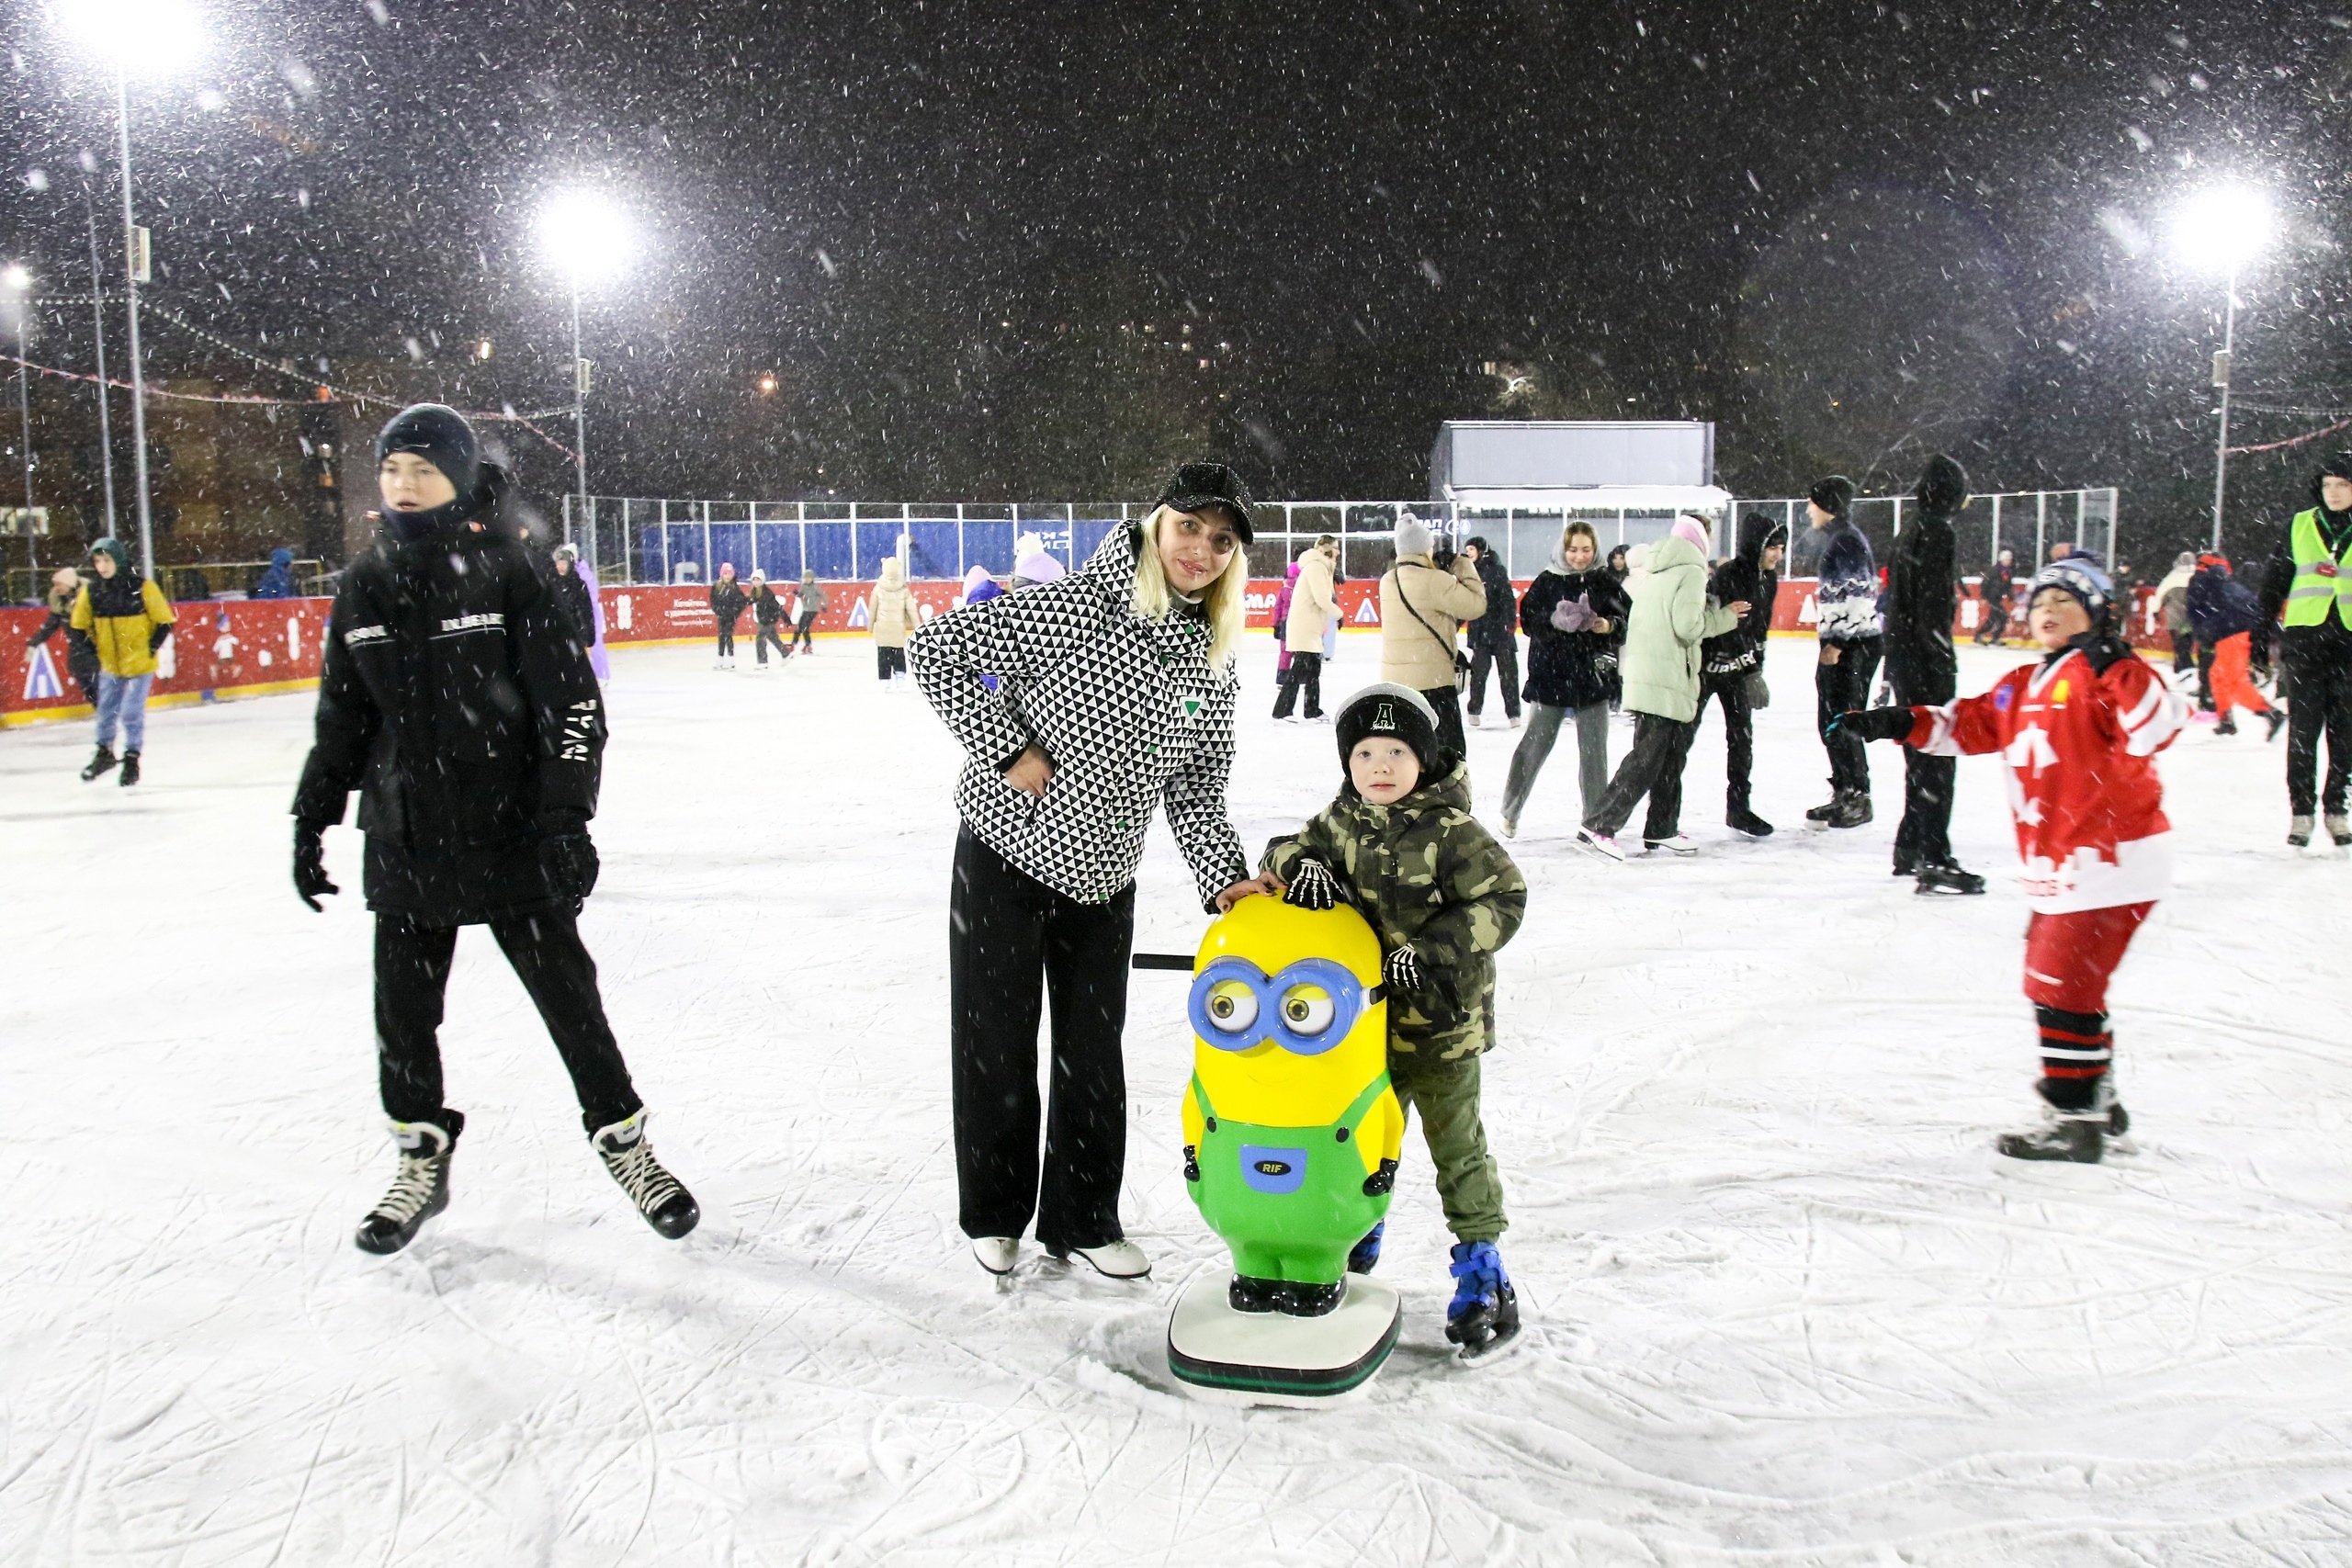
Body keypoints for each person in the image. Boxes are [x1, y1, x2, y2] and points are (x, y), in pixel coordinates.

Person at [289, 403, 698, 1253]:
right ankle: (419, 1156)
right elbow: (343, 716)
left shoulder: (509, 571)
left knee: (571, 1002)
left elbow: (571, 704)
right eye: (392, 469)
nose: (404, 485)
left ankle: (626, 1143)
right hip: (404, 835)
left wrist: (566, 819)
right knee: (403, 1015)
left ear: (458, 477)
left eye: (423, 469)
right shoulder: (364, 583)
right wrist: (313, 815)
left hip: (509, 830)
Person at [908, 462, 1263, 1281]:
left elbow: (1196, 787)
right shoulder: (1074, 605)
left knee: (1093, 1053)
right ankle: (995, 1213)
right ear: (1157, 521)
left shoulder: (1211, 658)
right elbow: (936, 650)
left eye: (1221, 540)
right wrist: (1007, 749)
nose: (1201, 549)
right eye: (1189, 527)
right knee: (996, 1039)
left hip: (1104, 876)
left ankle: (1083, 1220)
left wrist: (1224, 877)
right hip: (1005, 852)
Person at [1831, 555, 2187, 1162]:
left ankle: (2074, 1119)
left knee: (2059, 982)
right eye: (2040, 601)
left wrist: (2118, 666)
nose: (2048, 610)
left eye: (2065, 601)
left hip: (2111, 858)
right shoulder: (2024, 683)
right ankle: (2095, 1096)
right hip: (2065, 863)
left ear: (2097, 613)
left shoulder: (2107, 673)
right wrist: (1899, 722)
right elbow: (1968, 724)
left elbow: (2159, 725)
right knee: (2065, 982)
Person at [1261, 682, 1528, 1358]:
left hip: (1442, 1031)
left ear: (1424, 758)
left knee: (1457, 1150)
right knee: (1360, 1143)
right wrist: (1303, 865)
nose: (1379, 766)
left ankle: (1482, 1267)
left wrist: (1434, 950)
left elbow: (1504, 898)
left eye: (1397, 752)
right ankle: (1353, 1234)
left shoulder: (1451, 831)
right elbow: (1279, 849)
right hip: (1361, 1034)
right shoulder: (1341, 821)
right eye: (1365, 754)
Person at [1577, 516, 1744, 858]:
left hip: (1649, 671)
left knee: (1669, 757)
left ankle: (1662, 827)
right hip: (1665, 676)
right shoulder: (1691, 572)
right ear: (1702, 539)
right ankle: (1599, 824)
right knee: (1647, 759)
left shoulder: (1657, 569)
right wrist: (1725, 617)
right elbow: (1687, 626)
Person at [1883, 456, 1986, 894]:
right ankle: (1934, 856)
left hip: (1905, 660)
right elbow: (1931, 608)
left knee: (1920, 754)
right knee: (1938, 757)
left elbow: (1897, 604)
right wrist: (1942, 661)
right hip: (1925, 662)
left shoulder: (1909, 528)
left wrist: (1894, 665)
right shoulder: (1937, 531)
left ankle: (1910, 847)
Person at [1501, 520, 1626, 837]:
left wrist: (1608, 625)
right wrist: (1554, 621)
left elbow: (1627, 619)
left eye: (1586, 549)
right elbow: (1529, 621)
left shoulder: (1605, 581)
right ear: (1563, 549)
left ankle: (1594, 822)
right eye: (1573, 549)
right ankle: (1510, 811)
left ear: (1595, 549)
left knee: (1595, 754)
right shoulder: (1547, 581)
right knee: (1534, 746)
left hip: (1592, 679)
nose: (1579, 556)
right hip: (1551, 677)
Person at [2258, 450, 2352, 848]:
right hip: (2305, 645)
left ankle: (2336, 810)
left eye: (2343, 484)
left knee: (2345, 737)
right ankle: (2302, 813)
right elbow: (2274, 583)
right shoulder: (2300, 525)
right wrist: (2259, 636)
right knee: (2303, 734)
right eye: (2328, 485)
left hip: (2349, 647)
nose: (2334, 492)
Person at [1698, 513, 1785, 838]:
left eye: (1781, 548)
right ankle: (1662, 812)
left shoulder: (1769, 579)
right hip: (1708, 667)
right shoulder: (1730, 575)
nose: (1777, 555)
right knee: (1680, 740)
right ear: (1755, 545)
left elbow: (1759, 630)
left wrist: (1756, 668)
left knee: (1741, 739)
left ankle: (1738, 809)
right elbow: (1728, 628)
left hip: (1737, 670)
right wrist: (1750, 671)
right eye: (1772, 547)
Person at [1804, 475, 1881, 829]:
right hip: (1847, 643)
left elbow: (1860, 597)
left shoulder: (1847, 541)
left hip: (1854, 645)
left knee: (1842, 719)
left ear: (1827, 505)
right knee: (1831, 720)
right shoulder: (1840, 538)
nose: (1809, 510)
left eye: (1813, 503)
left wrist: (1839, 643)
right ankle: (1845, 790)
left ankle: (1857, 796)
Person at [70, 536, 175, 787]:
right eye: (98, 561)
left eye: (107, 560)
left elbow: (165, 620)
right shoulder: (92, 591)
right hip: (111, 665)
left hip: (140, 664)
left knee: (130, 712)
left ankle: (131, 758)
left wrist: (149, 648)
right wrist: (94, 650)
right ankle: (104, 752)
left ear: (118, 560)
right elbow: (78, 625)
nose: (102, 566)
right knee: (106, 710)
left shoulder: (142, 587)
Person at [1379, 513, 1484, 761]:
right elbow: (1476, 606)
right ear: (1426, 548)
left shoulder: (1388, 580)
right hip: (1433, 684)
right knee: (1449, 754)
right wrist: (1463, 566)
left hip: (1396, 686)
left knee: (1408, 755)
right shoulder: (1436, 580)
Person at [2188, 552, 2287, 742]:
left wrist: (2203, 634)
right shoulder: (2225, 583)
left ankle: (2271, 713)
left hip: (2230, 633)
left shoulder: (2201, 581)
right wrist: (2272, 628)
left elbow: (2196, 612)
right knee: (2218, 675)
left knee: (2234, 681)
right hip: (2237, 632)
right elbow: (2253, 605)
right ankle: (2226, 719)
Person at [1273, 535, 1339, 722]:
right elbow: (1321, 598)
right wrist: (1339, 613)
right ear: (1327, 548)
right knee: (1301, 669)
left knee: (1312, 669)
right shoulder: (1316, 566)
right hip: (1304, 626)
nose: (1338, 551)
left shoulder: (1321, 566)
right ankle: (1284, 711)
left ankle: (1310, 710)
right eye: (1335, 547)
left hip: (1309, 625)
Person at [1461, 536, 1521, 729]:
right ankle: (1474, 710)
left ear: (1482, 551)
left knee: (1508, 675)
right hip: (1480, 631)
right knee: (1478, 674)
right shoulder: (1468, 572)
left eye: (1472, 549)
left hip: (1500, 631)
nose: (1469, 553)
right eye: (1467, 550)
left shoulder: (1496, 570)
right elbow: (1464, 601)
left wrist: (1509, 623)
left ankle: (1514, 713)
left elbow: (1507, 598)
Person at [24, 565, 99, 705]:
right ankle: (104, 710)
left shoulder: (90, 597)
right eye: (55, 585)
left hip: (96, 649)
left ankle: (110, 711)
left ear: (69, 584)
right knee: (87, 686)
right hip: (77, 651)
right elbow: (49, 627)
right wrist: (33, 644)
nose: (56, 588)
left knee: (98, 685)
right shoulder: (60, 604)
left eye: (60, 584)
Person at [869, 556, 921, 681]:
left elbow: (872, 609)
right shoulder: (903, 589)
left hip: (882, 627)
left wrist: (870, 625)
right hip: (898, 627)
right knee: (898, 651)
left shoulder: (878, 589)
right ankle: (900, 673)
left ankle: (884, 678)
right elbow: (912, 609)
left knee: (883, 653)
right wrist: (917, 626)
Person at [548, 544, 597, 652]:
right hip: (555, 636)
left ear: (570, 564)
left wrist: (589, 634)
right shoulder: (551, 583)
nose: (561, 567)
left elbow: (586, 610)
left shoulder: (578, 584)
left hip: (574, 635)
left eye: (564, 563)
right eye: (558, 563)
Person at [2155, 551, 2197, 679]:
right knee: (2187, 644)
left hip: (2174, 618)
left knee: (2179, 645)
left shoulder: (2171, 578)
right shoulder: (2196, 577)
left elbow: (2160, 596)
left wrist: (2155, 611)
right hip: (2190, 618)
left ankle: (2181, 667)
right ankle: (2185, 667)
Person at [1973, 547, 2018, 646]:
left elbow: (2008, 585)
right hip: (1992, 597)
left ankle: (1988, 636)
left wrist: (2011, 597)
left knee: (1995, 618)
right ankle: (1987, 636)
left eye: (2010, 559)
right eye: (2007, 559)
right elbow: (1985, 583)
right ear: (2002, 560)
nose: (2009, 561)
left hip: (1998, 598)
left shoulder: (2008, 572)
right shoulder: (1994, 570)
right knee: (2002, 617)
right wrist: (1984, 597)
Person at [708, 562, 747, 671]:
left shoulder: (735, 588)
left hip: (731, 617)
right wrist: (718, 611)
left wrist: (735, 612)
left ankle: (731, 658)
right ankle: (720, 658)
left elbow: (742, 602)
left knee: (728, 635)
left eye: (729, 574)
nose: (727, 576)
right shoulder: (716, 587)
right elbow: (713, 601)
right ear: (722, 575)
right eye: (725, 574)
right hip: (721, 616)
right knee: (721, 636)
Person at [748, 570, 790, 669]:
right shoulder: (756, 592)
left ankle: (762, 662)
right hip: (764, 620)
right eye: (754, 580)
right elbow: (749, 601)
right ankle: (786, 653)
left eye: (758, 580)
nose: (756, 582)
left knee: (760, 639)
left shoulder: (766, 593)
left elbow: (777, 606)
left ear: (762, 581)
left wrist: (786, 618)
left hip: (768, 620)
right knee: (773, 637)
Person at [791, 568, 826, 653]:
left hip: (813, 610)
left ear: (812, 579)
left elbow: (824, 596)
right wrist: (797, 593)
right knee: (800, 627)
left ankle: (806, 645)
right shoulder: (804, 587)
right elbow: (800, 594)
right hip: (806, 609)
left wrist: (825, 605)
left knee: (804, 627)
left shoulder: (815, 588)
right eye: (805, 578)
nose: (807, 579)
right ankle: (795, 644)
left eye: (809, 578)